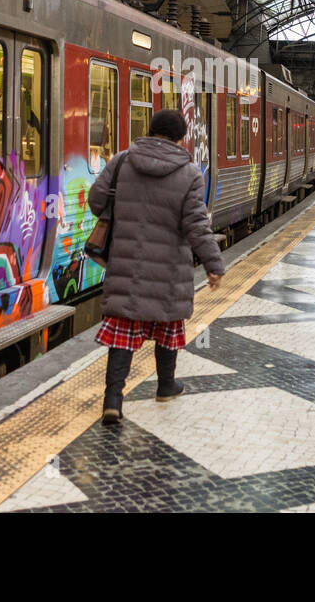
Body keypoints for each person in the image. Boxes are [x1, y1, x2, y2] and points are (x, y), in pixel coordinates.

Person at [88, 108, 225, 425]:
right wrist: (213, 264)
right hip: (169, 270)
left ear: (150, 130)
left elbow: (96, 201)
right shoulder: (190, 173)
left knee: (123, 334)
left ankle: (112, 400)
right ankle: (166, 386)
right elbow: (196, 226)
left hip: (126, 265)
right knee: (167, 327)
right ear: (181, 138)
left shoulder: (122, 160)